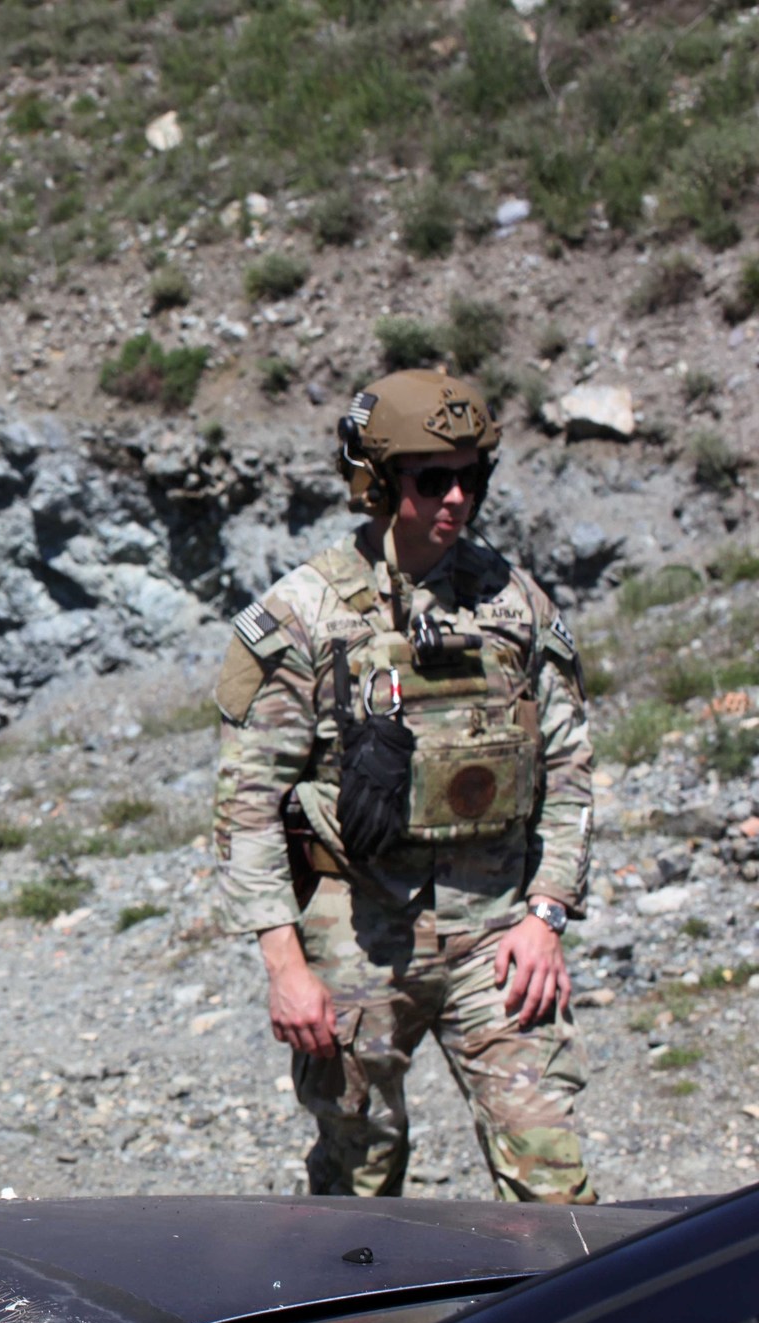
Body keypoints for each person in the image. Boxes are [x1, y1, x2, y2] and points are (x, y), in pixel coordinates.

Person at [213, 369, 595, 1204]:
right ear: (381, 483)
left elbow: (569, 766)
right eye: (432, 478)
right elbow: (246, 805)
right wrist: (285, 965)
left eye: (472, 477)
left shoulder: (514, 602)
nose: (457, 498)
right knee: (358, 1181)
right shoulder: (307, 613)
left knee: (554, 1184)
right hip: (359, 937)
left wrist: (547, 915)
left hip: (498, 935)